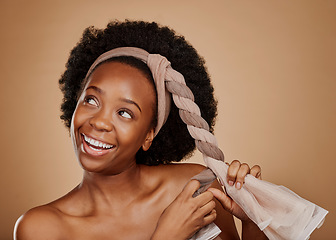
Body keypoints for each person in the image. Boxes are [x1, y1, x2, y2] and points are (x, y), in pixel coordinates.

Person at [14, 20, 268, 239]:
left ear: (150, 135)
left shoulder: (194, 188)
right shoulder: (41, 227)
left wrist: (253, 219)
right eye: (91, 100)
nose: (99, 122)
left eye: (124, 113)